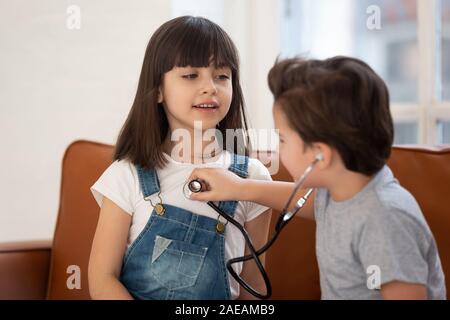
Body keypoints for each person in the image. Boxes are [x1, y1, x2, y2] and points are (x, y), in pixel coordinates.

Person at [188, 56, 447, 300]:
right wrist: (239, 187)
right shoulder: (345, 190)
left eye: (282, 139)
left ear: (320, 157)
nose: (278, 149)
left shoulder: (384, 220)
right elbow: (310, 202)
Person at [88, 16, 272, 300]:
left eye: (222, 76)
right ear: (158, 90)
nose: (210, 87)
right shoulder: (126, 174)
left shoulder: (253, 178)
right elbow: (102, 280)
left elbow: (254, 287)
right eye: (190, 76)